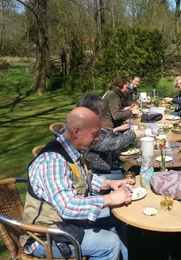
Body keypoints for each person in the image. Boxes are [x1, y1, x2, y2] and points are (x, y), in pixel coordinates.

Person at [20, 107, 133, 259]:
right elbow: (67, 207)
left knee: (116, 218)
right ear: (76, 132)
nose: (98, 138)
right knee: (110, 243)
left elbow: (85, 179)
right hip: (47, 236)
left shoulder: (72, 151)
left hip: (68, 223)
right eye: (95, 134)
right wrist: (110, 199)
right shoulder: (52, 162)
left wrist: (110, 183)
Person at [76, 94, 143, 179]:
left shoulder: (83, 123)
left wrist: (114, 131)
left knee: (127, 171)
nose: (101, 114)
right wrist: (133, 134)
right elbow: (109, 145)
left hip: (96, 168)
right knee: (127, 174)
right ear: (93, 111)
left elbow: (101, 142)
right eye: (100, 111)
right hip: (94, 173)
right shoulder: (86, 130)